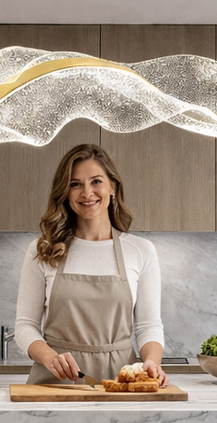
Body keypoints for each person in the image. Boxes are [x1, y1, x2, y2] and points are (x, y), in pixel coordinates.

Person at [14, 143, 168, 386]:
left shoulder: (140, 251)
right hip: (56, 381)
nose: (87, 193)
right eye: (75, 184)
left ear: (113, 187)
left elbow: (148, 326)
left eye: (96, 181)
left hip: (121, 383)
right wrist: (49, 357)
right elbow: (25, 326)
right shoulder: (43, 249)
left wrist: (151, 361)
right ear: (65, 192)